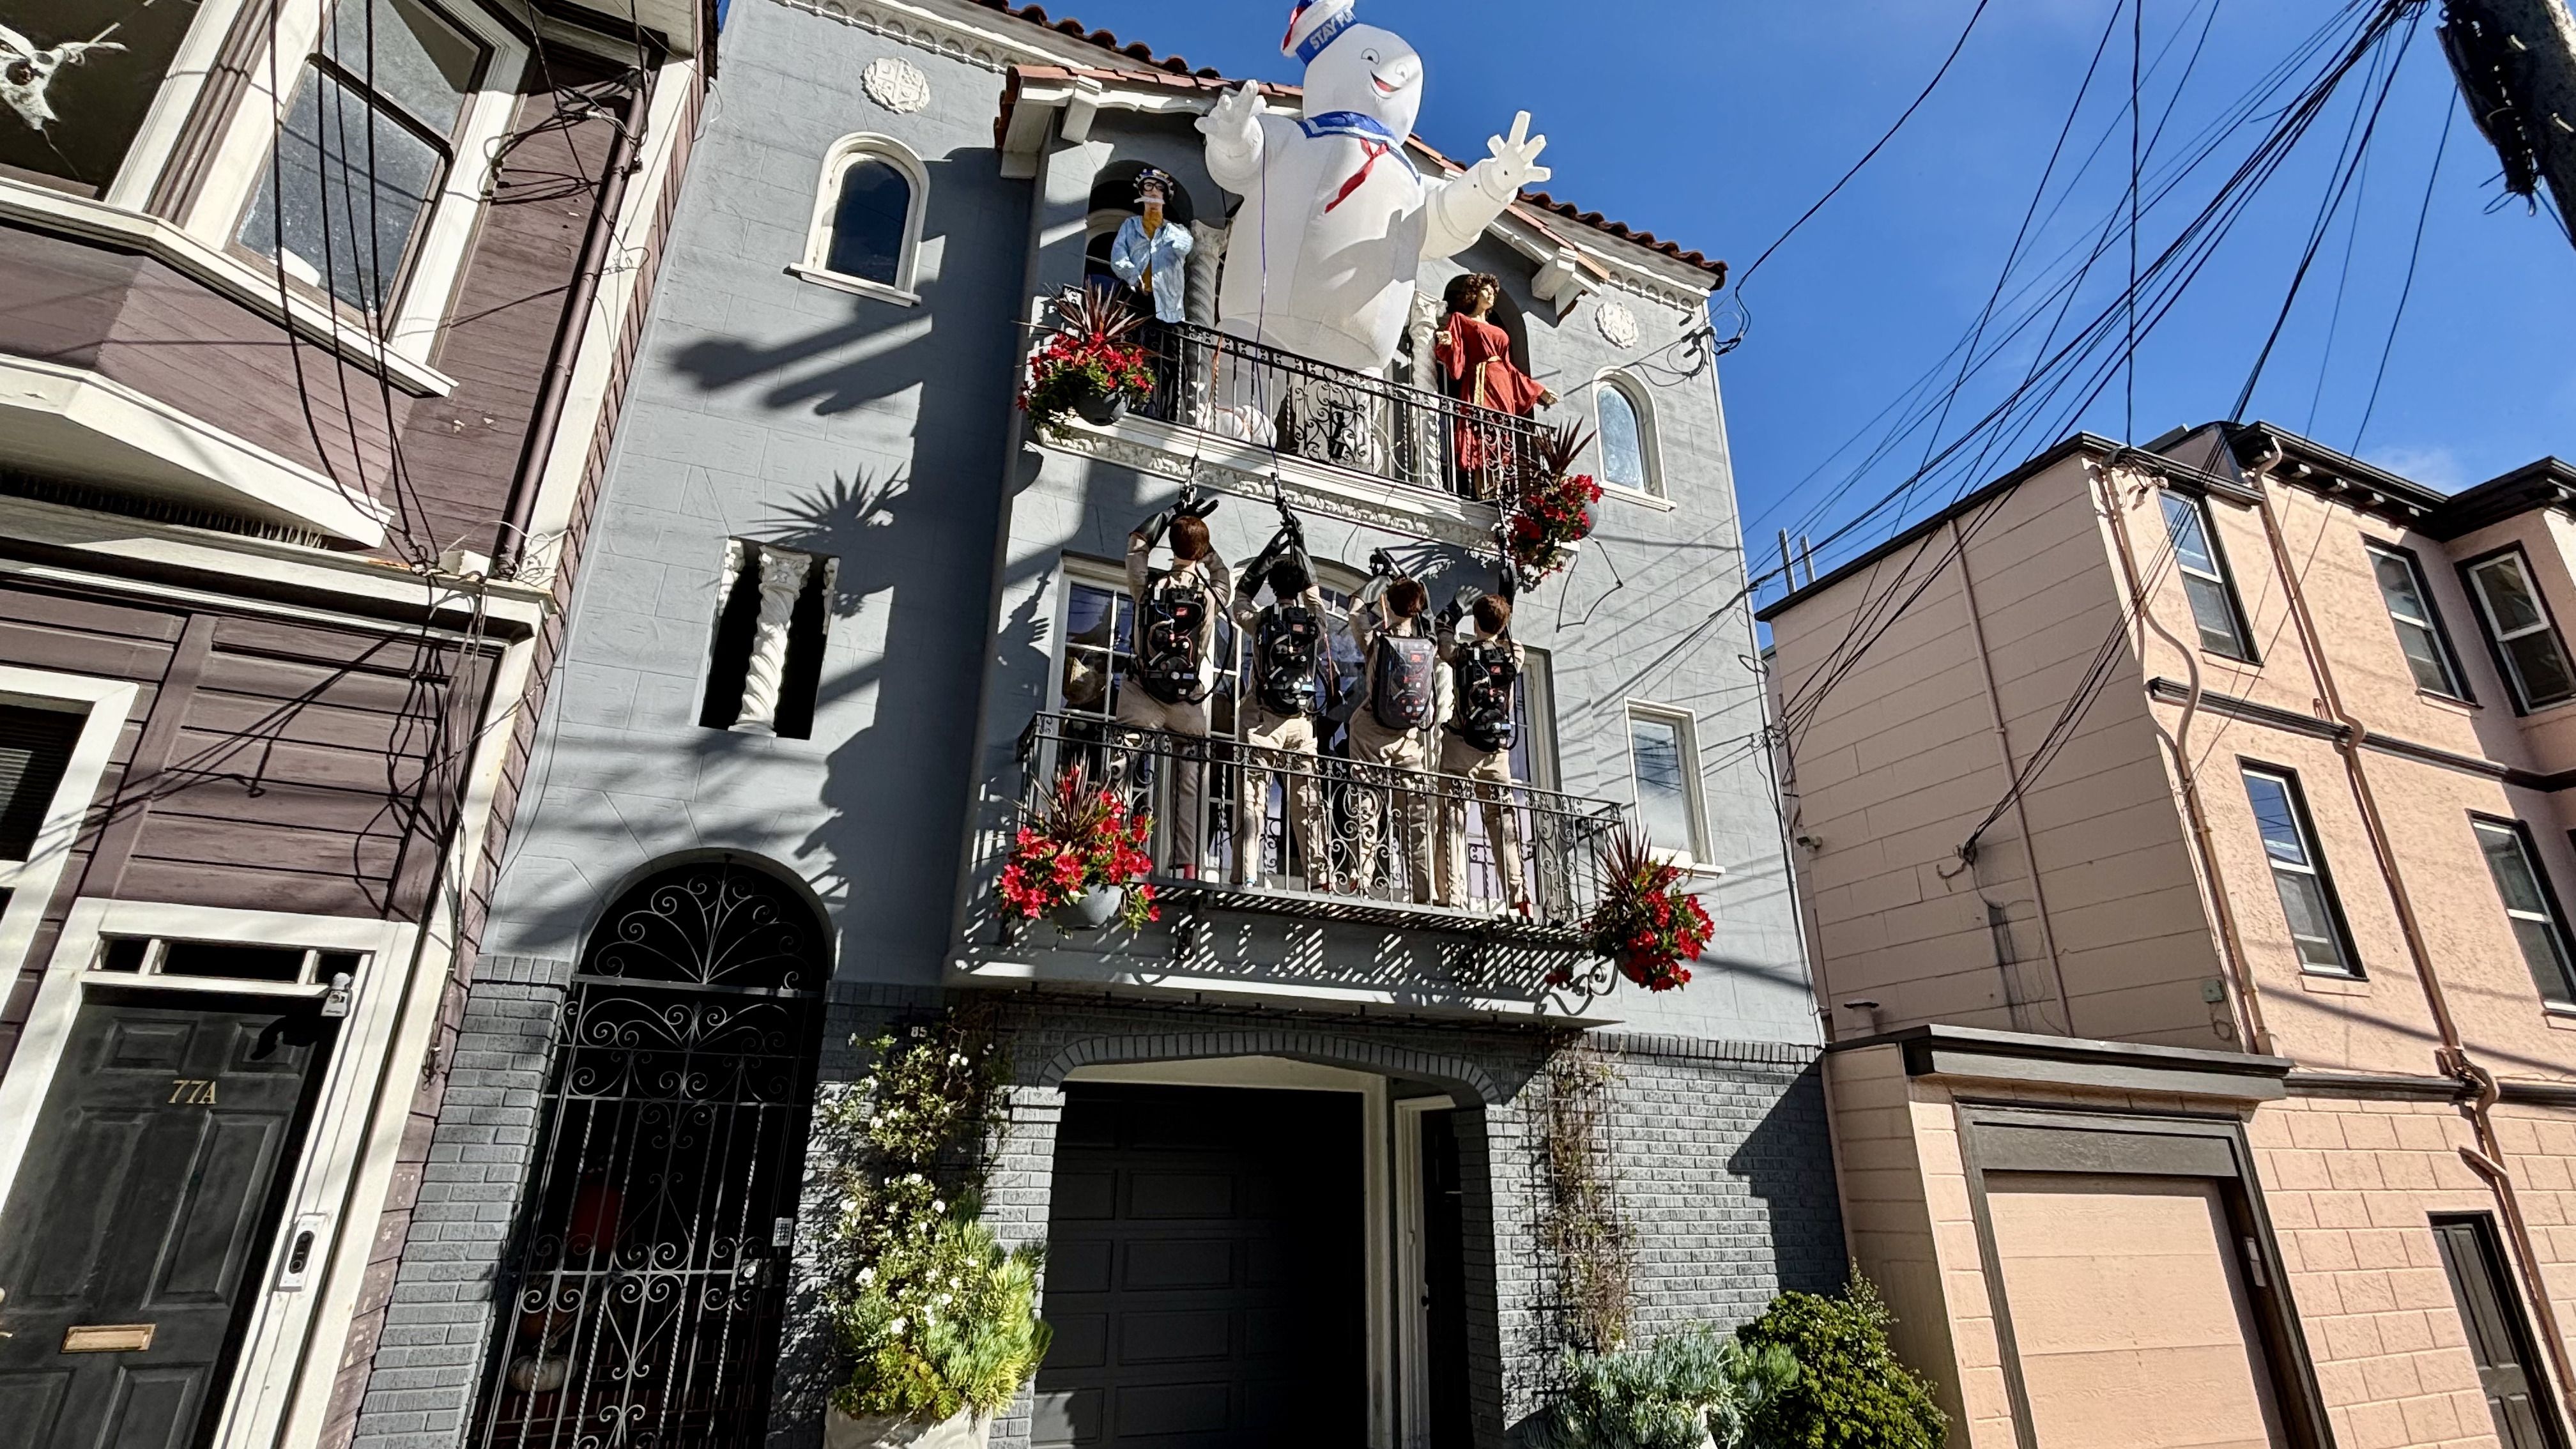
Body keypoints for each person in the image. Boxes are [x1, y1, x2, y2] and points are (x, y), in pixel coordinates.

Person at [1119, 487, 1227, 878]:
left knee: (1122, 766)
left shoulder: (1149, 587)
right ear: (1200, 552)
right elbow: (1222, 573)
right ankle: (1188, 864)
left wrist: (1171, 515)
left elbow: (1137, 545)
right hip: (1187, 698)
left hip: (1143, 690)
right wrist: (1202, 543)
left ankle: (1109, 847)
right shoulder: (1212, 594)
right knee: (1191, 783)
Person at [1229, 511, 1331, 888]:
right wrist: (1300, 546)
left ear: (1273, 588)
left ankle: (1249, 873)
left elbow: (1239, 598)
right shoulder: (1315, 621)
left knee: (1252, 797)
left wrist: (1267, 556)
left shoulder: (1261, 620)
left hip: (1262, 717)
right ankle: (1320, 876)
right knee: (1308, 799)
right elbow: (1315, 592)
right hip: (1301, 720)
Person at [1344, 553, 1441, 901]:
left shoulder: (1378, 640)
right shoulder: (1427, 644)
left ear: (1388, 603)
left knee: (1367, 802)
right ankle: (1423, 887)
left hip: (1373, 729)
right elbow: (1427, 614)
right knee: (1415, 812)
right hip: (1411, 737)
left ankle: (1362, 877)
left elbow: (1355, 607)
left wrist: (1381, 584)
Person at [1436, 585, 1531, 916]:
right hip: (1496, 751)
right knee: (1502, 821)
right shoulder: (1512, 656)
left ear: (1476, 623)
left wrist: (1451, 613)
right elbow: (1510, 643)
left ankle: (1454, 895)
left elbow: (1444, 641)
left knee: (1452, 818)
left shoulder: (1462, 654)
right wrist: (1505, 615)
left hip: (1461, 745)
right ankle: (1519, 897)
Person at [1435, 272, 1554, 497]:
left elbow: (1511, 369)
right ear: (1475, 294)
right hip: (1482, 379)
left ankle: (1497, 487)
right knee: (1483, 429)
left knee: (1501, 432)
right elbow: (1457, 352)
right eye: (1485, 291)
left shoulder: (1499, 331)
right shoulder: (1462, 320)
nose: (1490, 295)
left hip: (1502, 382)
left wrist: (1540, 391)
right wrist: (1449, 343)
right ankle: (1484, 489)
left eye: (1492, 292)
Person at [1108, 167, 1192, 325]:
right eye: (1149, 186)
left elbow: (1185, 247)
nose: (1154, 191)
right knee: (1131, 339)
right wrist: (1133, 276)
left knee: (1166, 343)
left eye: (1160, 188)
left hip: (1167, 300)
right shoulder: (1131, 225)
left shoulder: (1178, 231)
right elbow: (1118, 256)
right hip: (1136, 294)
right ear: (1142, 193)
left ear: (1165, 196)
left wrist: (1166, 231)